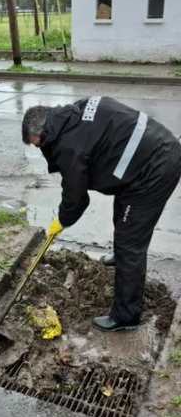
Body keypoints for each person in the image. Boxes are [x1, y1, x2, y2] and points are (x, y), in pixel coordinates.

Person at [22, 97, 181, 331]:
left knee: (130, 241)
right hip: (154, 149)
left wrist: (62, 220)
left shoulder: (69, 146)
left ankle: (126, 317)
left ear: (44, 132)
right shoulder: (74, 112)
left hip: (155, 169)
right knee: (123, 214)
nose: (39, 148)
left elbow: (76, 197)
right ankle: (120, 257)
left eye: (37, 144)